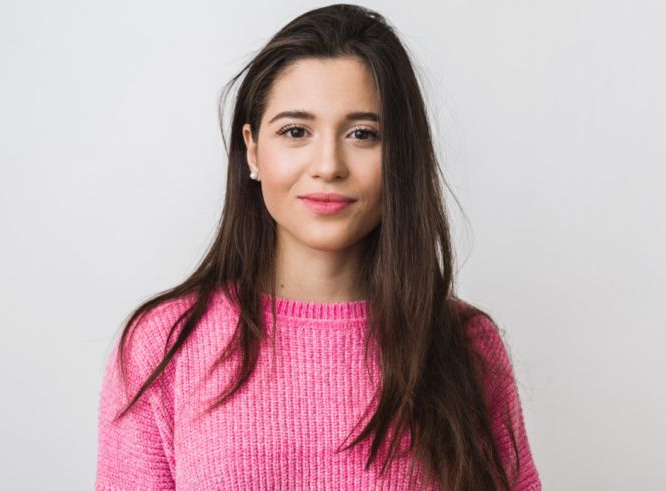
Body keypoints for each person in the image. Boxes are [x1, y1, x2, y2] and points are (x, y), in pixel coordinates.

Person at [95, 4, 541, 490]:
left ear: (401, 153)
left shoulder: (465, 346)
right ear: (252, 149)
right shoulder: (163, 347)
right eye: (295, 131)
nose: (328, 165)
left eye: (363, 134)